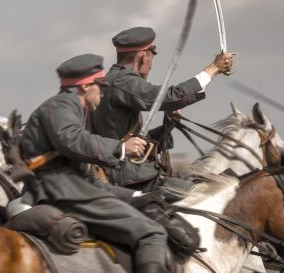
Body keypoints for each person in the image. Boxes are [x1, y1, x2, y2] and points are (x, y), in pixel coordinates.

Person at [17, 53, 205, 273]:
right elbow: (71, 141)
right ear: (84, 86)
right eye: (99, 87)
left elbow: (86, 173)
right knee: (152, 233)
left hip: (76, 188)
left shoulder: (74, 109)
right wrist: (119, 148)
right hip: (63, 192)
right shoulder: (62, 105)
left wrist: (137, 195)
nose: (103, 93)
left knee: (149, 204)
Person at [91, 26, 233, 192]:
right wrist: (213, 69)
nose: (151, 66)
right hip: (130, 178)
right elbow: (172, 97)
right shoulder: (123, 81)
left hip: (125, 174)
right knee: (203, 194)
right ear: (144, 56)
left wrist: (167, 126)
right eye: (152, 58)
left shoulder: (111, 80)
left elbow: (128, 139)